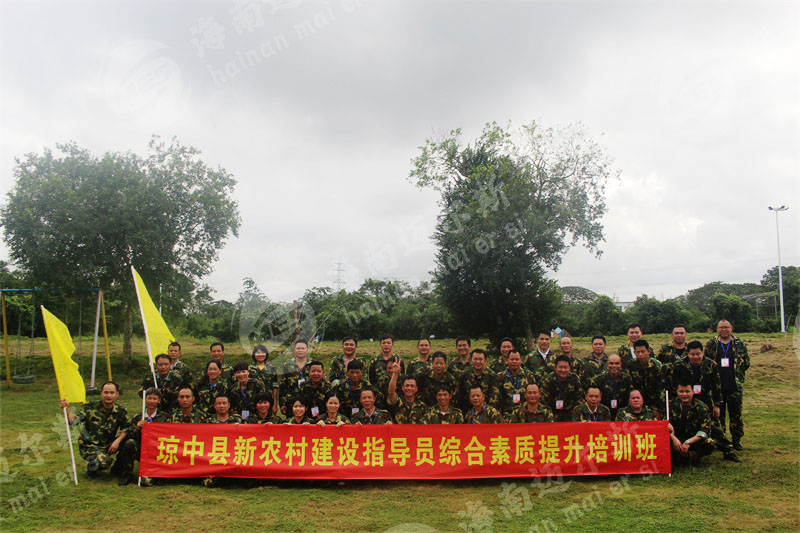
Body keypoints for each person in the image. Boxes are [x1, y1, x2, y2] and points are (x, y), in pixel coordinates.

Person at [60, 381, 129, 480]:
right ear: (101, 393)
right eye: (106, 392)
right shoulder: (90, 408)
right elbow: (74, 421)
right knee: (105, 462)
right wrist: (67, 409)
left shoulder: (120, 411)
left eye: (112, 393)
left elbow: (126, 428)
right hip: (90, 446)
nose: (108, 396)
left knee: (129, 442)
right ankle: (92, 466)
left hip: (108, 445)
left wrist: (118, 441)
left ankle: (119, 467)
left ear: (117, 394)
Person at [704, 319, 750, 450]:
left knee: (736, 415)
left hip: (734, 386)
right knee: (718, 415)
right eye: (721, 327)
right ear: (717, 329)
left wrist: (738, 375)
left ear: (731, 328)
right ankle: (722, 441)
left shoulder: (739, 343)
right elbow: (706, 362)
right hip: (717, 387)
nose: (724, 330)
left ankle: (736, 440)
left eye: (726, 327)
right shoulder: (712, 344)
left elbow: (746, 362)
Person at [669, 381, 739, 465]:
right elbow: (665, 425)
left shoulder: (701, 406)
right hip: (676, 439)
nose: (684, 394)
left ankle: (694, 457)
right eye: (681, 391)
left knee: (710, 443)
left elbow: (705, 430)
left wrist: (688, 442)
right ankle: (682, 457)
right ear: (677, 392)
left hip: (693, 439)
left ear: (693, 392)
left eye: (687, 391)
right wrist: (674, 439)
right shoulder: (670, 406)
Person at [118, 388, 168, 486]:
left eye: (154, 399)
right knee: (130, 443)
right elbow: (129, 435)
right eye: (149, 398)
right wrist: (137, 428)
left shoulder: (164, 417)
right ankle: (127, 473)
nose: (151, 401)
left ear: (159, 400)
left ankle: (159, 474)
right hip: (141, 448)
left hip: (157, 449)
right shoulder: (138, 417)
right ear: (145, 399)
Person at [540, 355, 584, 422]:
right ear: (555, 368)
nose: (563, 370)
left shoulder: (575, 379)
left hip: (570, 412)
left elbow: (579, 399)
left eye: (565, 367)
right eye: (560, 367)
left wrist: (576, 414)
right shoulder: (548, 380)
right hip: (553, 412)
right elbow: (543, 401)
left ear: (569, 368)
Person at [367, 333, 405, 407]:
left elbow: (402, 377)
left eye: (388, 343)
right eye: (384, 343)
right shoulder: (374, 360)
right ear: (380, 344)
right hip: (379, 398)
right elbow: (371, 380)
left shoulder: (398, 360)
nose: (386, 345)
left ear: (393, 344)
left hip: (395, 396)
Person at [589, 354, 632, 420]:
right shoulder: (598, 380)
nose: (614, 366)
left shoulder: (627, 379)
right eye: (611, 363)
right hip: (603, 414)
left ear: (621, 364)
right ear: (607, 364)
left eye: (617, 363)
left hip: (622, 414)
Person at [629, 340, 665, 418]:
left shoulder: (657, 366)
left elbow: (661, 389)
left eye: (643, 351)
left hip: (655, 402)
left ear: (648, 351)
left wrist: (659, 408)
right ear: (634, 353)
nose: (640, 355)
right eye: (638, 352)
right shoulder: (631, 365)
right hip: (638, 402)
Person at [497, 350, 535, 416]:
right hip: (507, 413)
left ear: (521, 360)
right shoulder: (501, 376)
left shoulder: (528, 375)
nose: (514, 361)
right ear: (507, 360)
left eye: (517, 359)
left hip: (525, 413)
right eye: (512, 359)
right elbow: (498, 398)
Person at [279, 339, 312, 416]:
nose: (300, 350)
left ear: (307, 350)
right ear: (294, 350)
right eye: (298, 348)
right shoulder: (287, 364)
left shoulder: (312, 363)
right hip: (291, 401)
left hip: (309, 400)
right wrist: (282, 403)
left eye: (303, 348)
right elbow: (282, 386)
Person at [248, 344, 279, 412]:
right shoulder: (249, 368)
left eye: (263, 352)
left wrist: (275, 403)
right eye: (258, 353)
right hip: (253, 401)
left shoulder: (272, 368)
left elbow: (275, 386)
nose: (260, 355)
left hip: (268, 402)